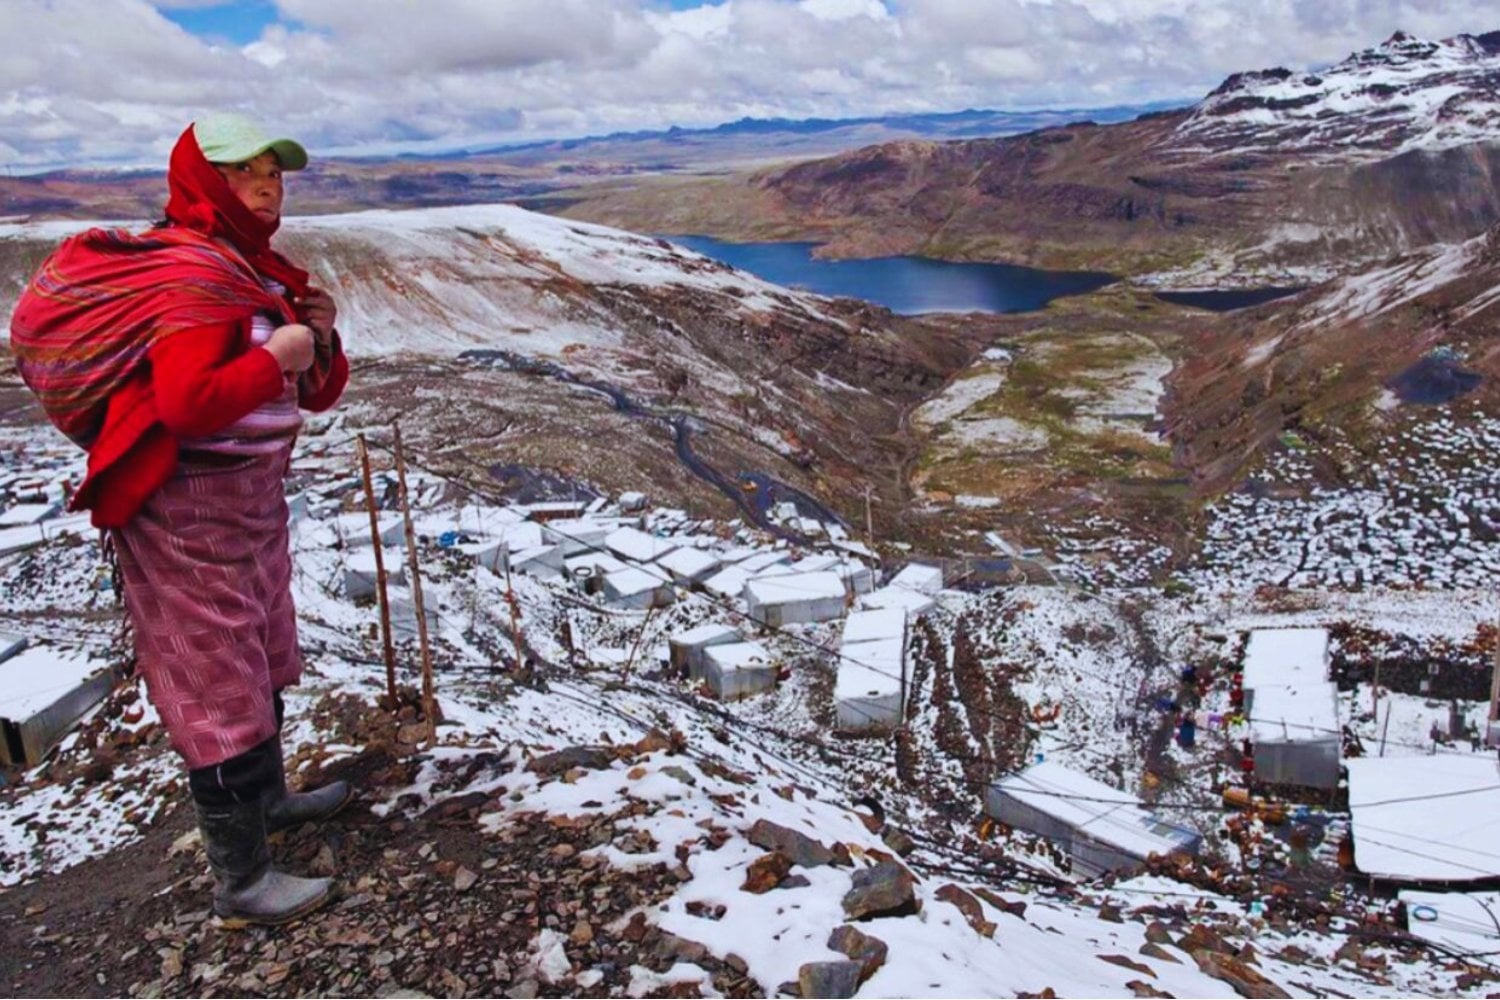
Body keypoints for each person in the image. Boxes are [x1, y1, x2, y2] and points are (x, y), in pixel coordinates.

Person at [11, 112, 351, 926]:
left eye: (273, 171)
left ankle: (269, 804)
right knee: (215, 674)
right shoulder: (196, 273)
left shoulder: (251, 270)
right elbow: (189, 404)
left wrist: (319, 341)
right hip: (186, 511)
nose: (266, 185)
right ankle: (242, 881)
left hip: (247, 506)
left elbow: (314, 393)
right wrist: (276, 356)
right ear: (202, 180)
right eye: (243, 171)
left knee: (257, 650)